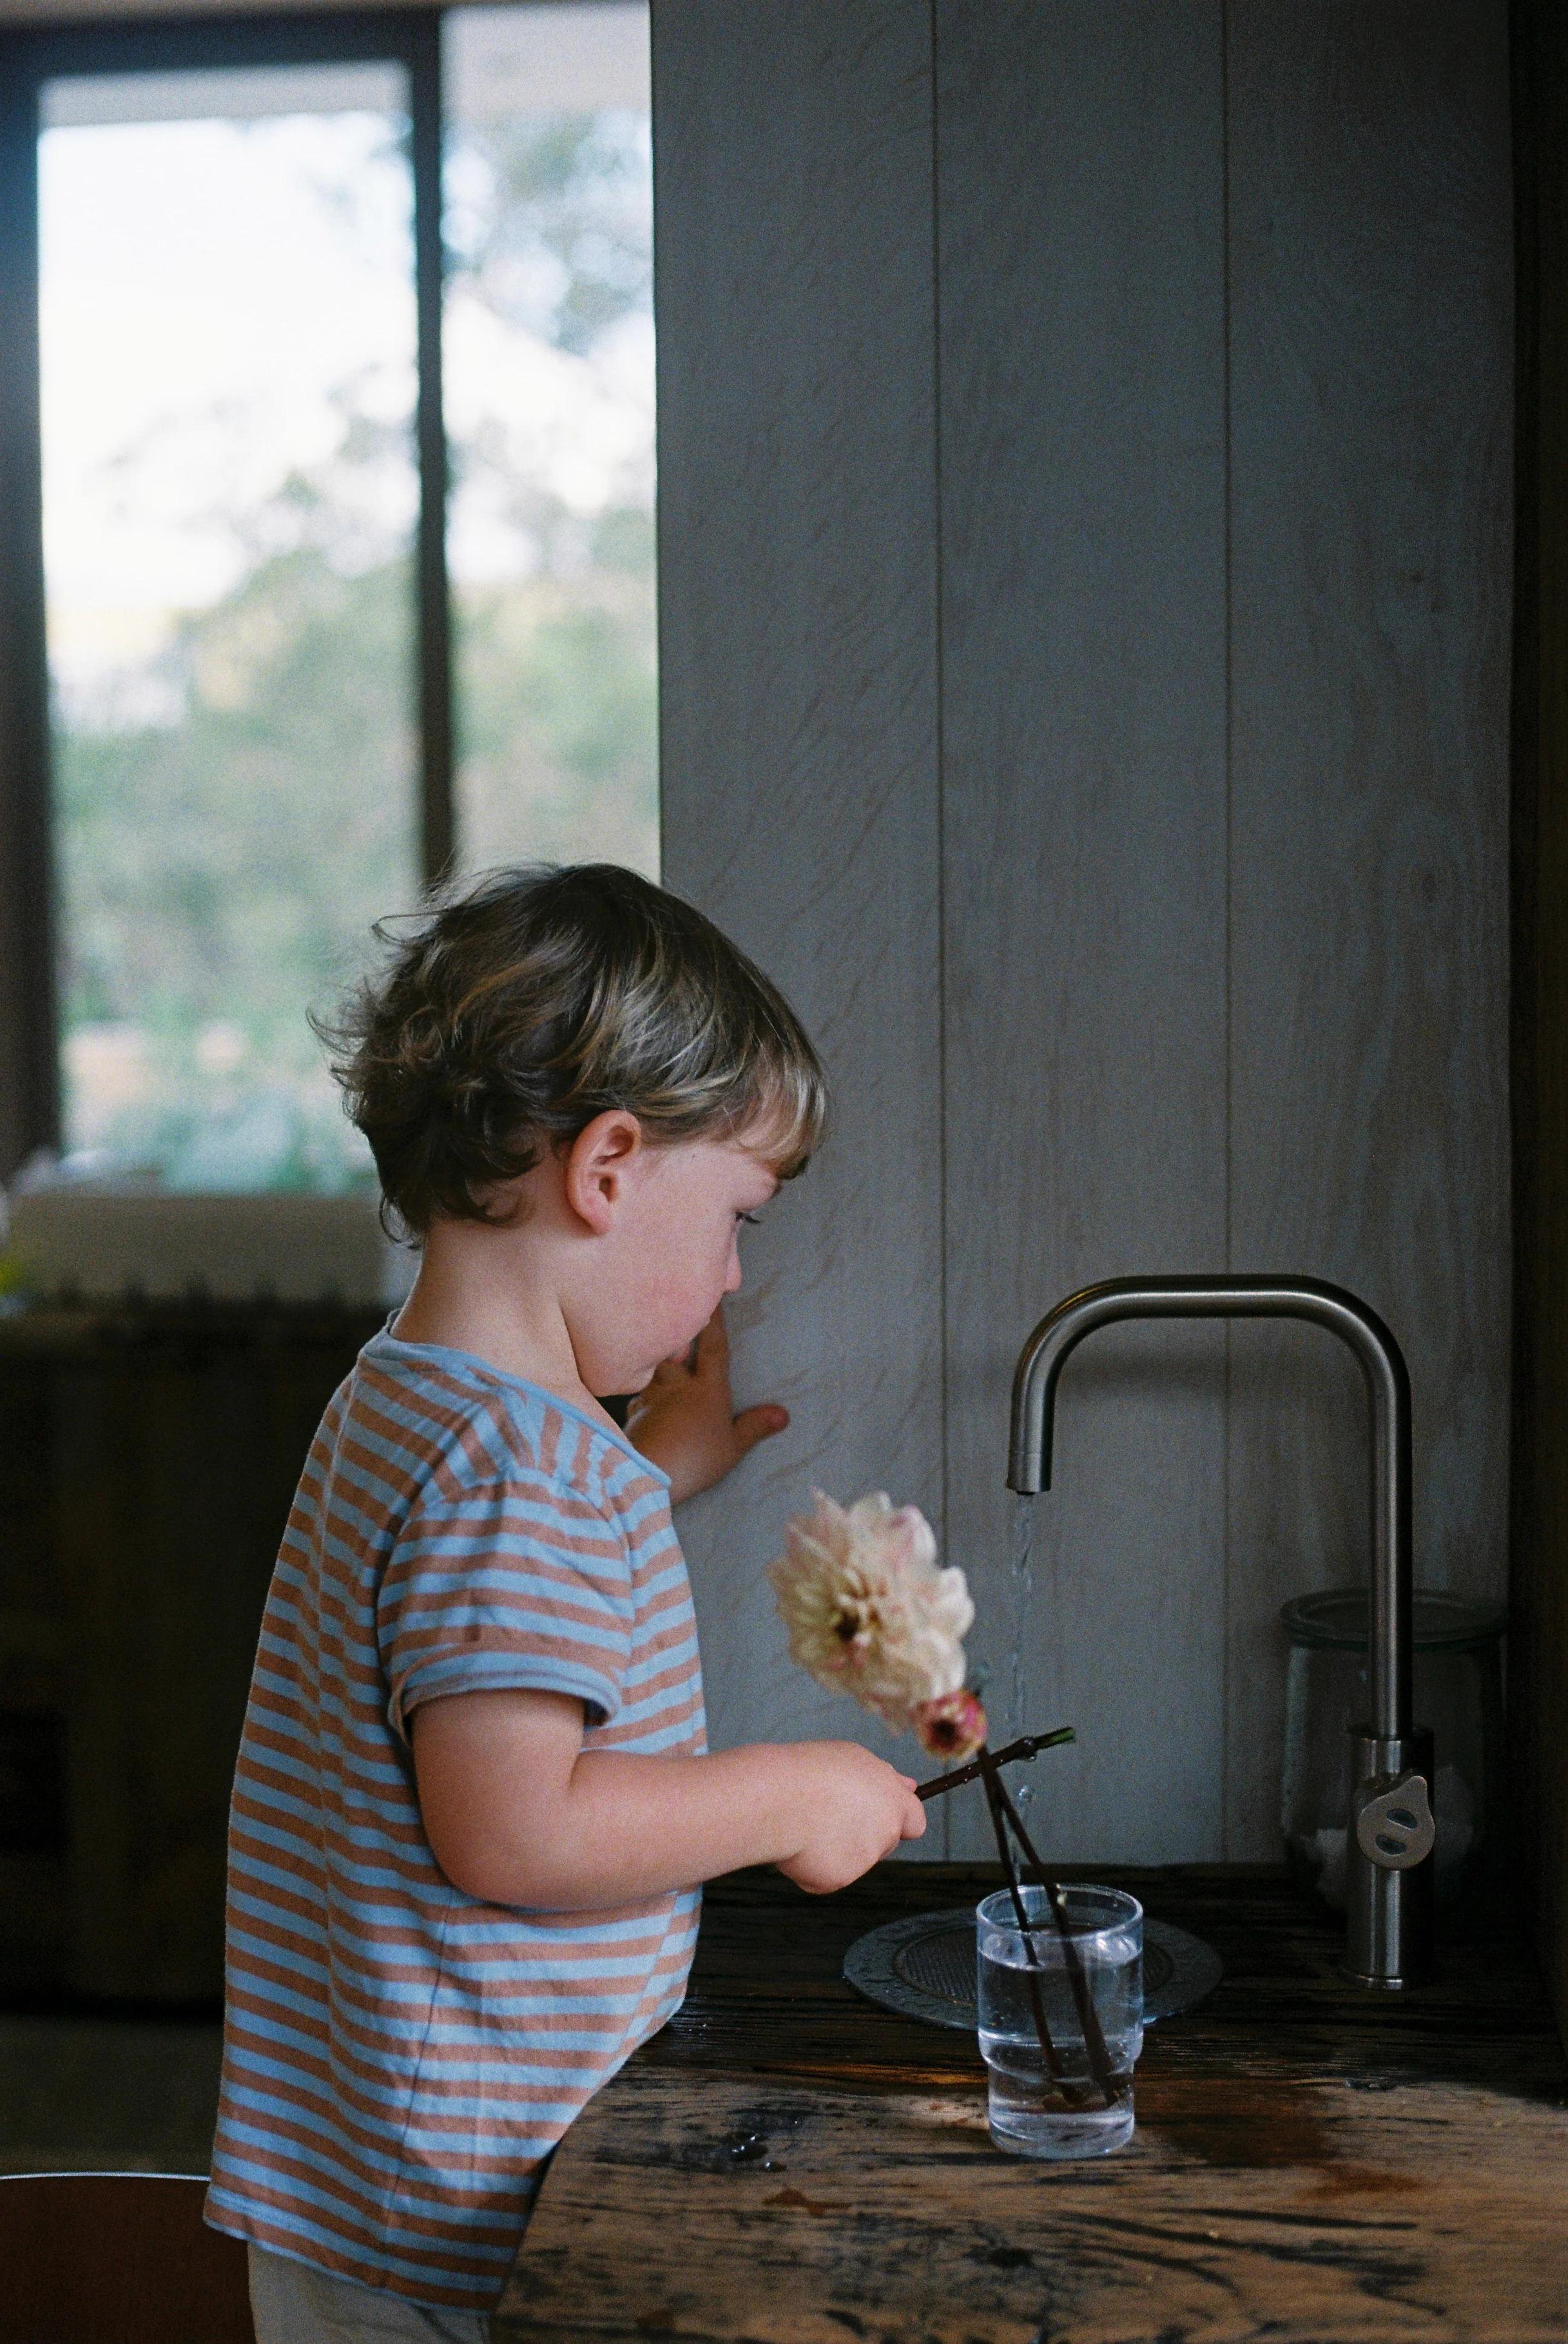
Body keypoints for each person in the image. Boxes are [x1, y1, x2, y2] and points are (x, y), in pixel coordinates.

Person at [204, 864, 926, 2343]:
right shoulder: (513, 1468)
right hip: (448, 2216)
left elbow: (466, 1624)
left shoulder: (415, 1402)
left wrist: (642, 1472)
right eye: (737, 1217)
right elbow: (514, 1827)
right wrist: (799, 1792)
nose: (732, 1273)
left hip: (368, 2171)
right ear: (605, 1169)